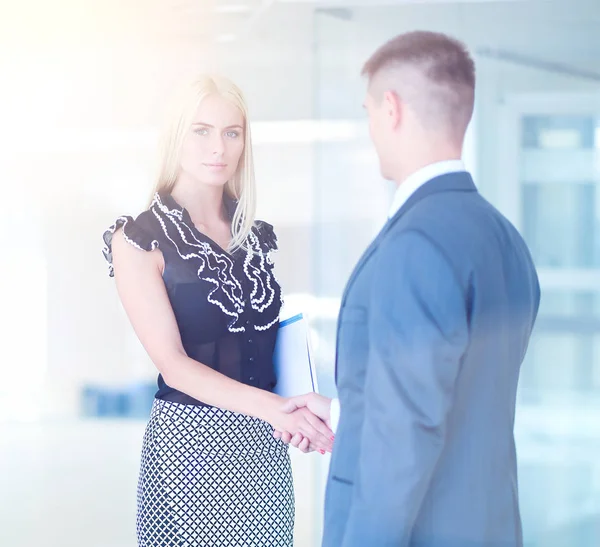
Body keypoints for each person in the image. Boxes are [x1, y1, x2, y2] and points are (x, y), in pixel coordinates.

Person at [278, 31, 540, 546]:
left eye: (369, 111)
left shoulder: (416, 244)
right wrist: (342, 413)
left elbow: (402, 438)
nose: (371, 127)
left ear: (391, 109)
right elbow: (458, 397)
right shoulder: (505, 240)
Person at [102, 74, 333, 547]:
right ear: (176, 136)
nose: (219, 148)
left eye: (232, 132)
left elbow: (266, 348)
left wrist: (299, 413)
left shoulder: (258, 234)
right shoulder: (138, 238)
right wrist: (282, 412)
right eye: (201, 130)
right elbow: (175, 366)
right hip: (190, 450)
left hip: (266, 448)